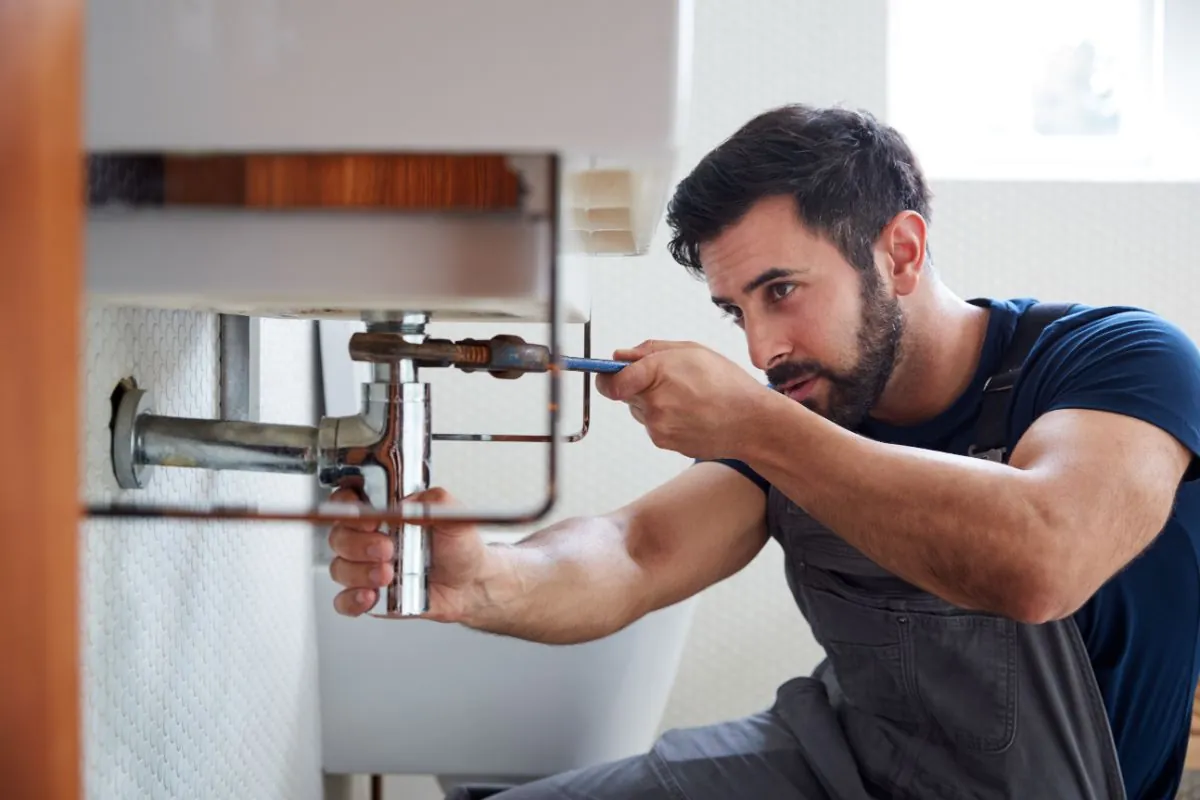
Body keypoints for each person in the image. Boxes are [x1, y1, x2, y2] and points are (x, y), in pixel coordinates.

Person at [326, 104, 1200, 799]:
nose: (761, 349)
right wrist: (486, 578)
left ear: (899, 251)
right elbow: (636, 551)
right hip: (826, 763)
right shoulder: (808, 401)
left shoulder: (1120, 361)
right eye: (737, 310)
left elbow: (1043, 557)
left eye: (782, 290)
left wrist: (755, 423)